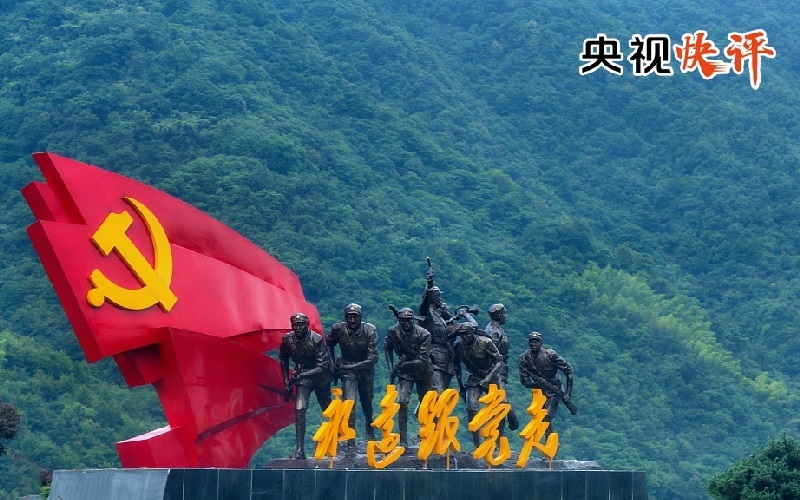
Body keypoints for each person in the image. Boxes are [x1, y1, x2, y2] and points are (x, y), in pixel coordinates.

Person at [279, 312, 334, 460]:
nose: (298, 328)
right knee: (299, 408)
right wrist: (286, 382)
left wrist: (302, 375)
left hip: (320, 377)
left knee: (328, 409)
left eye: (301, 325)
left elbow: (322, 365)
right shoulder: (287, 340)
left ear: (307, 325)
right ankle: (300, 450)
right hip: (303, 376)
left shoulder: (316, 339)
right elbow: (283, 358)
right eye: (295, 325)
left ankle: (338, 441)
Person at [326, 303, 379, 457]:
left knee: (367, 402)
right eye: (349, 317)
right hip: (347, 371)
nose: (352, 320)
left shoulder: (370, 330)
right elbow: (329, 344)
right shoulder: (338, 329)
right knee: (349, 404)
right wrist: (332, 364)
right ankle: (350, 443)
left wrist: (351, 367)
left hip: (365, 370)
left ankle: (370, 430)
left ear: (360, 317)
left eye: (355, 317)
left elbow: (373, 358)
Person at [385, 306, 434, 448]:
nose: (406, 323)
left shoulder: (424, 334)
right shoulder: (393, 331)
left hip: (423, 371)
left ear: (413, 320)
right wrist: (391, 368)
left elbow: (422, 360)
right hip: (405, 372)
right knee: (402, 401)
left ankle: (428, 437)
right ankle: (403, 440)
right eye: (402, 320)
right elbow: (387, 347)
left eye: (409, 320)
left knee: (427, 404)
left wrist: (402, 364)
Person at [452, 322, 503, 448]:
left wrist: (488, 378)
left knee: (498, 409)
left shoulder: (485, 342)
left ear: (472, 333)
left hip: (490, 376)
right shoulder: (458, 345)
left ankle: (496, 442)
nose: (464, 337)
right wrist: (460, 385)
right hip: (473, 378)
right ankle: (477, 445)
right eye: (462, 335)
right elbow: (456, 365)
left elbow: (499, 361)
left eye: (467, 334)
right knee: (471, 408)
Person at [518, 331, 574, 439]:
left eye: (536, 341)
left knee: (546, 416)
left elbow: (568, 371)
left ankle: (550, 442)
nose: (534, 344)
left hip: (554, 389)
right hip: (538, 392)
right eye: (531, 341)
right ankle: (550, 442)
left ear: (541, 343)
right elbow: (525, 381)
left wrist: (568, 394)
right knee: (539, 417)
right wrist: (538, 383)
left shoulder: (550, 355)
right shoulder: (524, 358)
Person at [417, 265, 456, 393]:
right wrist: (429, 285)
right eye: (439, 296)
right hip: (433, 358)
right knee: (437, 393)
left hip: (446, 359)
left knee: (443, 393)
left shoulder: (439, 315)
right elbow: (424, 303)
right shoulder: (427, 314)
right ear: (433, 298)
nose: (441, 299)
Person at [483, 303, 519, 431]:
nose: (505, 316)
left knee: (499, 407)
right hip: (495, 370)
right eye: (504, 314)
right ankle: (511, 416)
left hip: (502, 369)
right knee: (502, 401)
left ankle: (498, 436)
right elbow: (492, 353)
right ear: (499, 315)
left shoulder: (499, 329)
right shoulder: (492, 331)